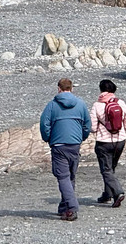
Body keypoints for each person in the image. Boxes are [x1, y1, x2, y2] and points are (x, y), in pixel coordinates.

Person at [39, 78, 91, 221]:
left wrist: (48, 138)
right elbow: (87, 125)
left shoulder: (51, 105)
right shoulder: (81, 104)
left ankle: (72, 208)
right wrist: (81, 137)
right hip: (74, 144)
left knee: (63, 177)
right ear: (71, 88)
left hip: (59, 145)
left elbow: (44, 125)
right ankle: (64, 208)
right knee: (70, 177)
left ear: (58, 89)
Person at [91, 78, 126, 208]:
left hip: (103, 142)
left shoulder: (97, 105)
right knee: (111, 168)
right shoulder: (120, 103)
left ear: (101, 90)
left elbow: (92, 127)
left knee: (106, 170)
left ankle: (118, 192)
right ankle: (107, 194)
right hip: (120, 141)